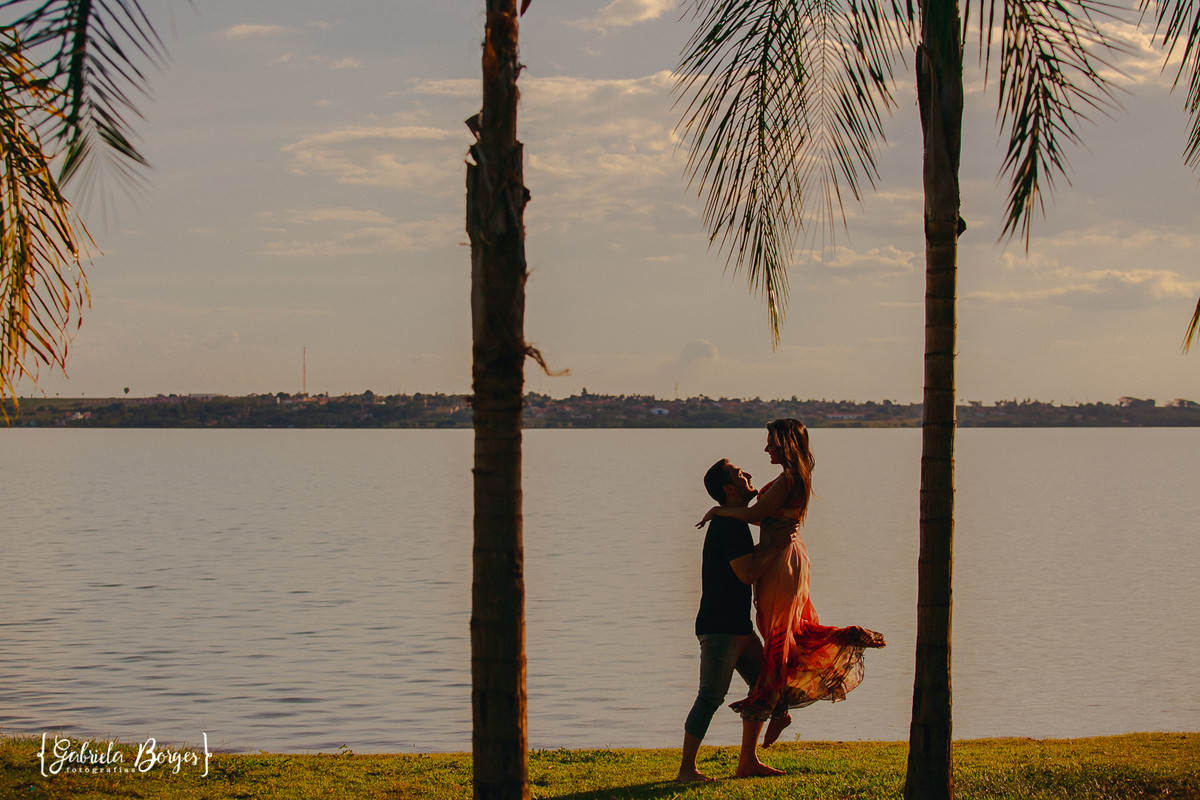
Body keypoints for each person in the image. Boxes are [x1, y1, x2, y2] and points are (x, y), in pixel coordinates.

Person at [697, 419, 886, 757]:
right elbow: (762, 515)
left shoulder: (790, 478)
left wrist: (718, 510)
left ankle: (777, 697)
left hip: (782, 559)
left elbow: (755, 515)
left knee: (779, 637)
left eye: (771, 442)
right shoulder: (789, 477)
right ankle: (777, 705)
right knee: (782, 635)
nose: (766, 448)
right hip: (782, 556)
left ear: (786, 444)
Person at [676, 458, 795, 783]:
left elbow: (743, 562)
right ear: (729, 488)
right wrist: (776, 545)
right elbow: (747, 573)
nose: (749, 475)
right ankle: (686, 770)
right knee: (710, 696)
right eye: (741, 474)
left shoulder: (734, 522)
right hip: (720, 627)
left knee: (764, 687)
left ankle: (748, 761)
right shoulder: (727, 526)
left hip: (738, 625)